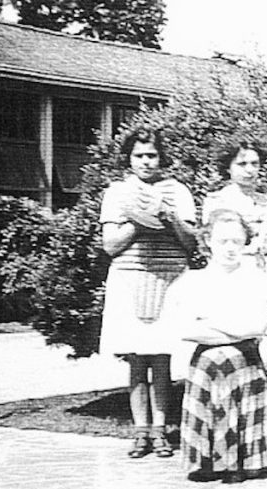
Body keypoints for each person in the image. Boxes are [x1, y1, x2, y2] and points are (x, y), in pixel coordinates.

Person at [98, 128, 196, 459]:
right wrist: (138, 222)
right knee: (136, 359)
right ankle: (140, 431)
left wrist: (167, 216)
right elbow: (110, 245)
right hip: (129, 277)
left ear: (161, 157)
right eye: (139, 155)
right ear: (129, 158)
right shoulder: (117, 192)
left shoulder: (178, 191)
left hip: (170, 278)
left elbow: (192, 243)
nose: (146, 161)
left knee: (162, 357)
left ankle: (161, 430)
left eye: (151, 155)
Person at [168, 210, 267, 484]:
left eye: (237, 242)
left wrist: (212, 322)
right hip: (206, 364)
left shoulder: (257, 279)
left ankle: (245, 460)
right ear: (208, 242)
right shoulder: (193, 281)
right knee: (215, 358)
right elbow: (186, 329)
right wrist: (233, 328)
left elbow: (256, 326)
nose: (230, 248)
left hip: (245, 361)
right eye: (223, 241)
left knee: (231, 355)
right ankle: (207, 461)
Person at [201, 142, 267, 271]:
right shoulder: (216, 201)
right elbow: (210, 246)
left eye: (254, 164)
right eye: (242, 164)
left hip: (263, 269)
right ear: (228, 167)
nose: (249, 170)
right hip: (227, 267)